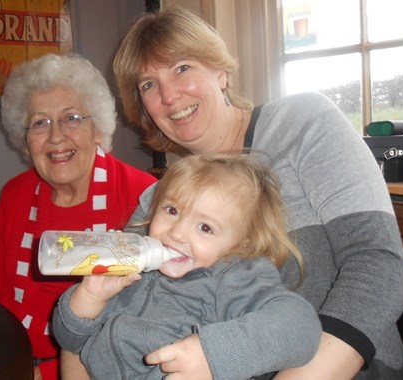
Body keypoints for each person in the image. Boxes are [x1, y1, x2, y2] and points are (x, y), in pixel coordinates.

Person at [109, 7, 403, 379]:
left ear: (220, 72)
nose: (169, 95)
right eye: (148, 85)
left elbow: (380, 264)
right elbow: (111, 312)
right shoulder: (157, 205)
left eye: (181, 68)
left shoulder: (303, 123)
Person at [53, 153, 322, 379]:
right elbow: (70, 341)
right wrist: (90, 298)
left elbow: (302, 325)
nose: (177, 233)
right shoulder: (133, 265)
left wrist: (213, 354)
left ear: (241, 244)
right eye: (171, 210)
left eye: (205, 227)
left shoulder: (234, 274)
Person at [0, 53, 158, 380]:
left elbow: (146, 325)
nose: (56, 136)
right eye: (40, 122)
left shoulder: (145, 197)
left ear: (98, 130)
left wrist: (47, 373)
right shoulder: (15, 195)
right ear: (26, 143)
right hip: (11, 361)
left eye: (72, 117)